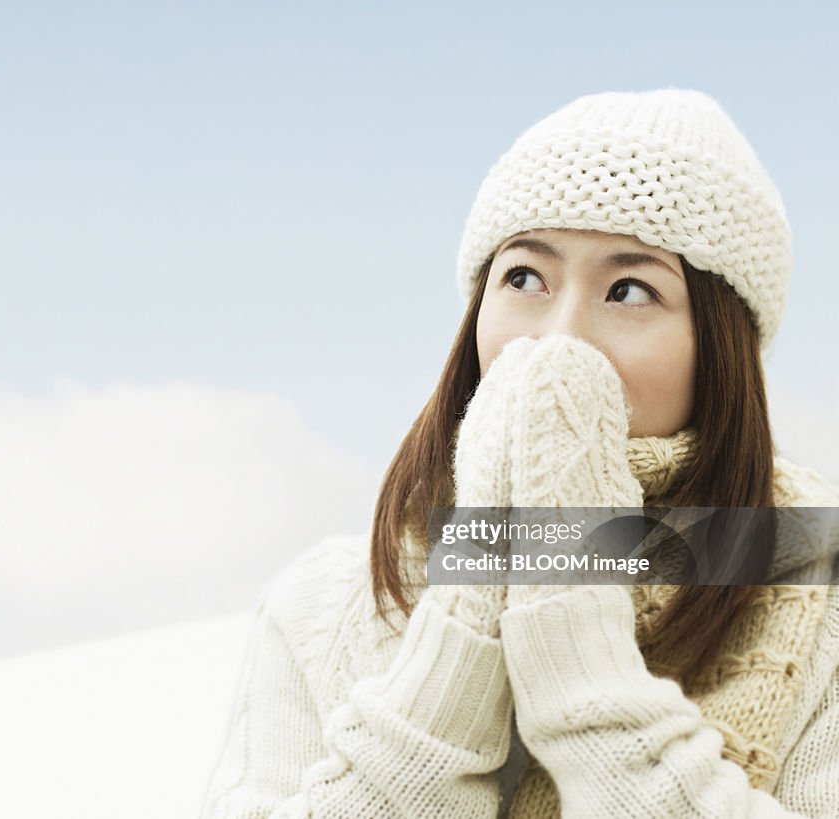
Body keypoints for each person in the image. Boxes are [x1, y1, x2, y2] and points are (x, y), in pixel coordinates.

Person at [198, 89, 839, 817]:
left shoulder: (819, 603)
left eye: (629, 289)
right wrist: (461, 637)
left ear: (722, 353)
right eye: (525, 277)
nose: (559, 338)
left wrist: (583, 673)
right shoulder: (326, 602)